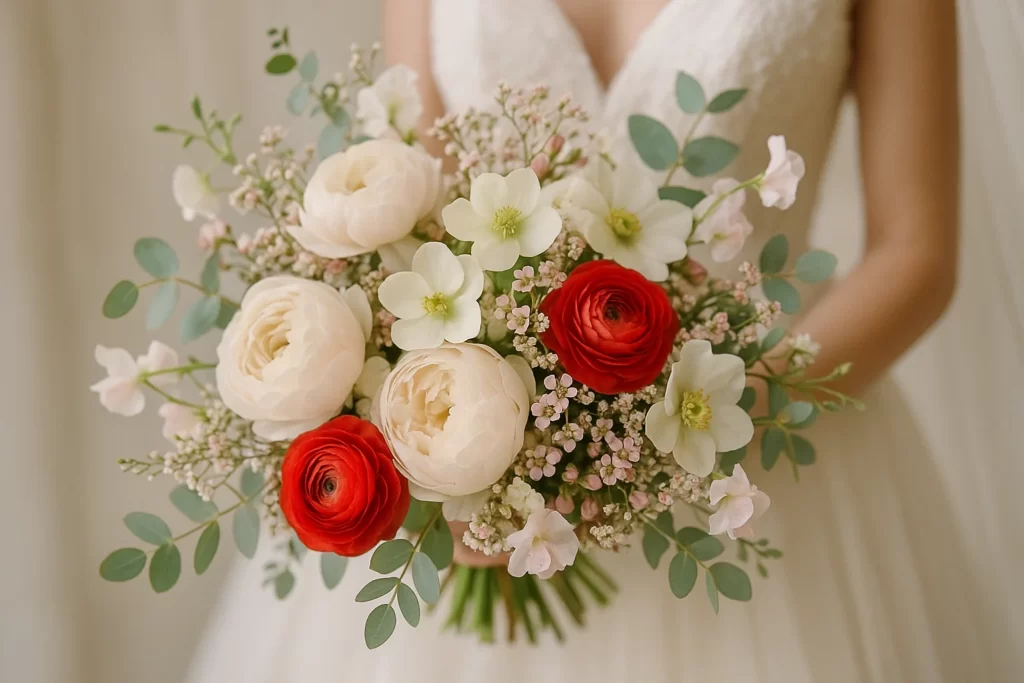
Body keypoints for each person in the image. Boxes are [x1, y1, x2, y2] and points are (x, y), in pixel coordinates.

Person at [188, 1, 999, 680]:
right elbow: (413, 201)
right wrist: (455, 460)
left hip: (762, 468)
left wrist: (691, 429)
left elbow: (917, 256)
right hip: (488, 460)